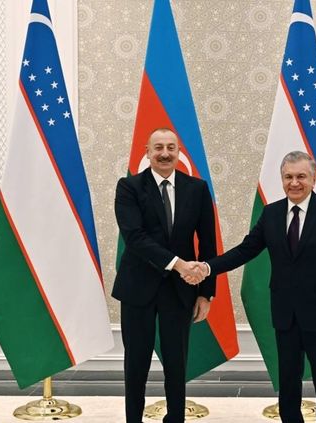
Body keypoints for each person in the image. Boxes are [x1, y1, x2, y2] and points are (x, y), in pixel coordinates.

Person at [193, 151, 316, 423]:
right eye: (288, 177)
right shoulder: (271, 213)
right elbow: (245, 251)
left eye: (301, 176)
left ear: (313, 179)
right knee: (287, 383)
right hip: (285, 314)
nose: (294, 183)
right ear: (282, 179)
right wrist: (208, 268)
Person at [113, 127, 215, 423]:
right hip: (138, 288)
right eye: (158, 147)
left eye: (171, 147)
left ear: (179, 152)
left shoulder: (197, 189)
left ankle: (176, 418)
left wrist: (206, 293)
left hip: (180, 291)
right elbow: (135, 237)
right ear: (147, 152)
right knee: (136, 364)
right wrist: (179, 264)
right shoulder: (129, 187)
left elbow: (208, 244)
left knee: (176, 364)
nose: (165, 153)